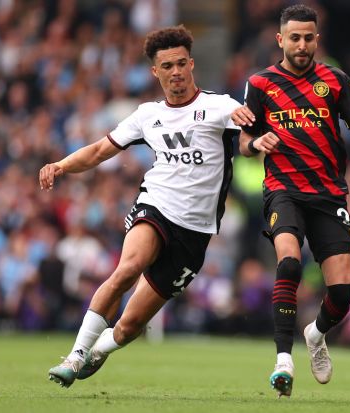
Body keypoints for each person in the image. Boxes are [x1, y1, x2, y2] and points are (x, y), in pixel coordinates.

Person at [40, 25, 241, 388]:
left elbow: (254, 135)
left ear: (192, 64)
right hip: (157, 205)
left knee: (130, 326)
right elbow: (101, 150)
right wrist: (61, 165)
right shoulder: (147, 115)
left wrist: (259, 137)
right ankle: (75, 354)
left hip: (195, 232)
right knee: (128, 268)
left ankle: (97, 352)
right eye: (167, 66)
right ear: (155, 71)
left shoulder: (220, 107)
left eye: (181, 63)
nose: (176, 72)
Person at [231, 4, 350, 397]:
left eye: (309, 37)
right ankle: (282, 359)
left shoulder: (335, 79)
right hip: (284, 190)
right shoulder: (260, 84)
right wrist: (257, 141)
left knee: (342, 294)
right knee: (289, 261)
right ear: (281, 40)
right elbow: (243, 141)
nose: (302, 44)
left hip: (328, 194)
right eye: (295, 37)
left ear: (317, 39)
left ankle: (315, 334)